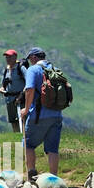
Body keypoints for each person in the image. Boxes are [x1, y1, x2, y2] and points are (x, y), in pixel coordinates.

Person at [20, 46, 62, 180]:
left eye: (30, 59)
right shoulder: (54, 69)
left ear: (34, 57)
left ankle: (31, 175)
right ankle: (54, 179)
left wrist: (26, 110)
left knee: (29, 144)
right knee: (52, 149)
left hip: (38, 115)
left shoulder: (33, 70)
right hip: (56, 115)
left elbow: (30, 89)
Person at [0, 49, 26, 131]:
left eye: (10, 57)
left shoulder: (21, 68)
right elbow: (3, 85)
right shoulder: (6, 70)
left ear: (15, 57)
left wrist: (21, 95)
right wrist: (2, 89)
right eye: (6, 57)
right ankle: (16, 137)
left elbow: (29, 82)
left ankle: (24, 137)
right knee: (13, 121)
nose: (7, 59)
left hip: (20, 99)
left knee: (22, 119)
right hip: (9, 99)